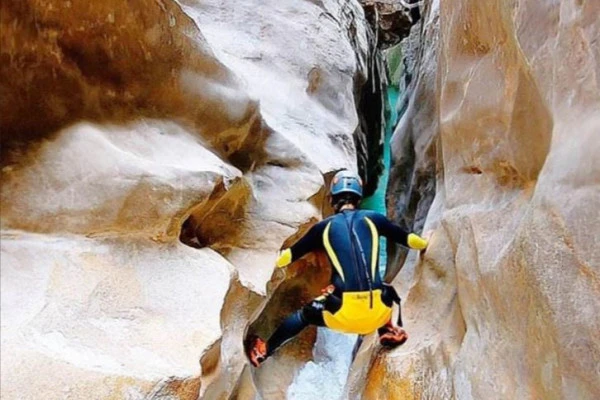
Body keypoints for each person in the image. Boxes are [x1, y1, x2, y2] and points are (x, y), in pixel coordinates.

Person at [246, 170, 429, 367]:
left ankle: (265, 350)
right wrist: (427, 240)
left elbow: (287, 257)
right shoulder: (375, 219)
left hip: (342, 315)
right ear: (358, 198)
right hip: (378, 313)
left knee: (304, 315)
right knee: (383, 288)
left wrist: (263, 254)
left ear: (333, 198)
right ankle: (387, 329)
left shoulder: (323, 228)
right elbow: (412, 241)